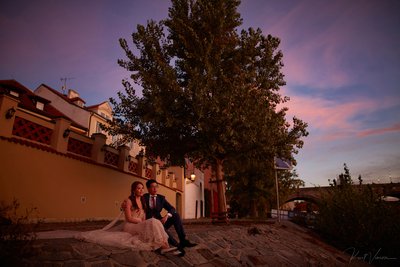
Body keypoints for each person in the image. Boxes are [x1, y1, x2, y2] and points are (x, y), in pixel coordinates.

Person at [122, 181, 177, 254]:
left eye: (142, 188)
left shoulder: (143, 200)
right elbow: (128, 218)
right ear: (133, 190)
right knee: (153, 221)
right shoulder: (128, 201)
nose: (141, 190)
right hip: (131, 225)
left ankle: (165, 244)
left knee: (156, 221)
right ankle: (164, 246)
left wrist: (144, 222)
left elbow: (144, 216)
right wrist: (140, 221)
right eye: (138, 188)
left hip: (140, 223)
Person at [143, 179, 197, 253]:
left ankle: (183, 240)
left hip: (161, 221)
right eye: (152, 187)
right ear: (148, 188)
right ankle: (176, 245)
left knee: (176, 215)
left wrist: (166, 216)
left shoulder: (161, 198)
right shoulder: (143, 197)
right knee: (160, 227)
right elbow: (134, 201)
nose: (155, 189)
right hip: (150, 224)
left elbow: (172, 208)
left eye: (156, 186)